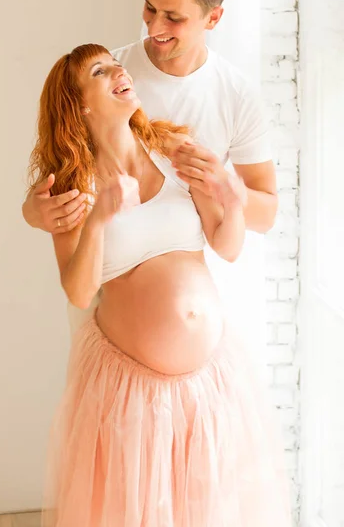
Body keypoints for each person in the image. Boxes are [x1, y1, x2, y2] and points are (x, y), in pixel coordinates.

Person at [29, 42, 291, 527]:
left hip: (210, 383)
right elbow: (80, 291)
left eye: (115, 62)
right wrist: (100, 218)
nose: (118, 70)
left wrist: (232, 201)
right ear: (79, 102)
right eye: (99, 70)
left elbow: (227, 246)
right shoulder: (72, 189)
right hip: (129, 391)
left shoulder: (173, 150)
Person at [22, 0, 277, 239]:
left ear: (213, 18)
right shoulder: (109, 79)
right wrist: (34, 212)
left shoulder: (238, 95)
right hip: (115, 275)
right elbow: (59, 173)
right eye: (150, 8)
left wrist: (225, 186)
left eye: (173, 17)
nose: (154, 27)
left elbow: (267, 215)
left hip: (200, 273)